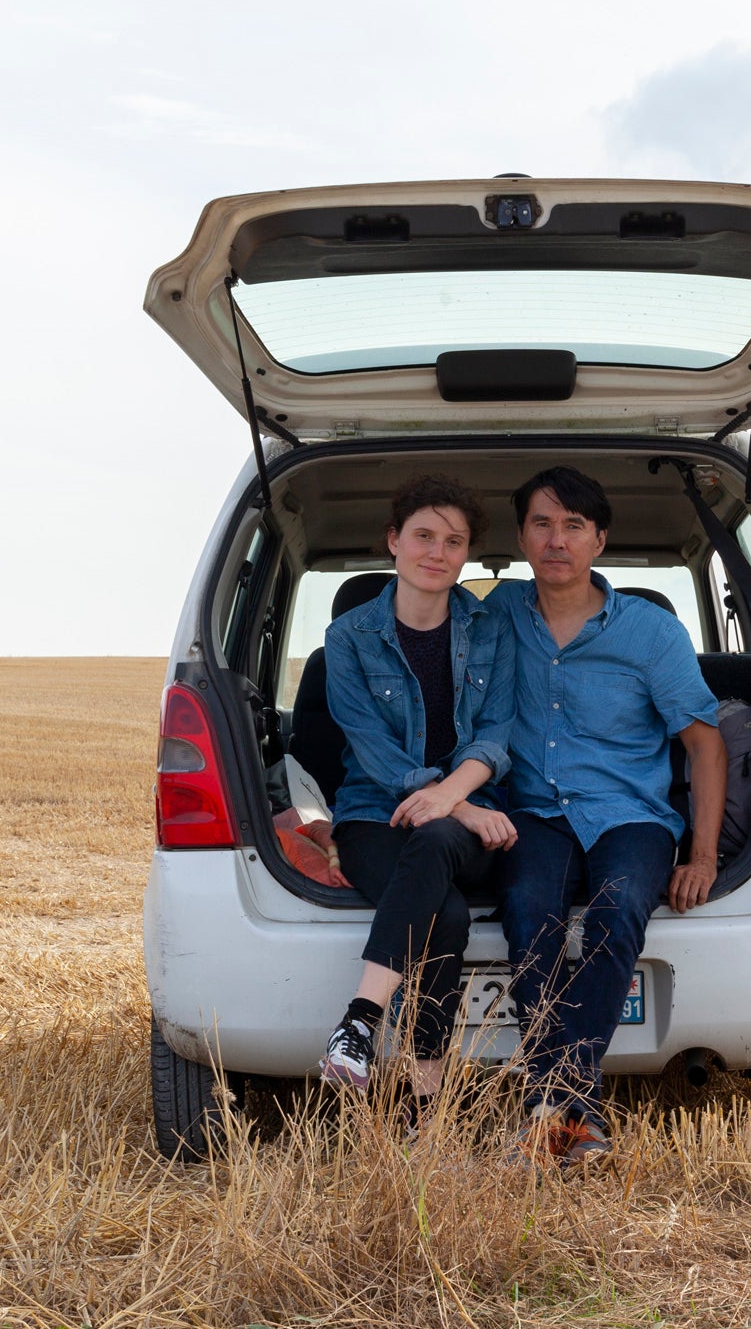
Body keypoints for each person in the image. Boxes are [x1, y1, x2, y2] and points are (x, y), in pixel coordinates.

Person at [496, 466, 727, 1166]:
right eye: (542, 523)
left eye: (573, 526)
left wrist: (705, 854)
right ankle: (576, 1108)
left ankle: (555, 1100)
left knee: (621, 907)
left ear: (599, 538)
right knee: (526, 903)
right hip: (533, 810)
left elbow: (704, 742)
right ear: (522, 536)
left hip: (631, 814)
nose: (556, 539)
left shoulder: (651, 633)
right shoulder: (497, 615)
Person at [318, 474, 519, 1118]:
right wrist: (456, 804)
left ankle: (358, 1021)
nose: (437, 552)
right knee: (448, 918)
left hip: (459, 820)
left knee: (435, 838)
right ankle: (426, 1106)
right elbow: (372, 749)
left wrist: (452, 801)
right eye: (423, 536)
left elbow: (495, 733)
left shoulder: (490, 629)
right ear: (394, 542)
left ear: (466, 555)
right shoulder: (349, 637)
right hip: (374, 812)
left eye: (453, 541)